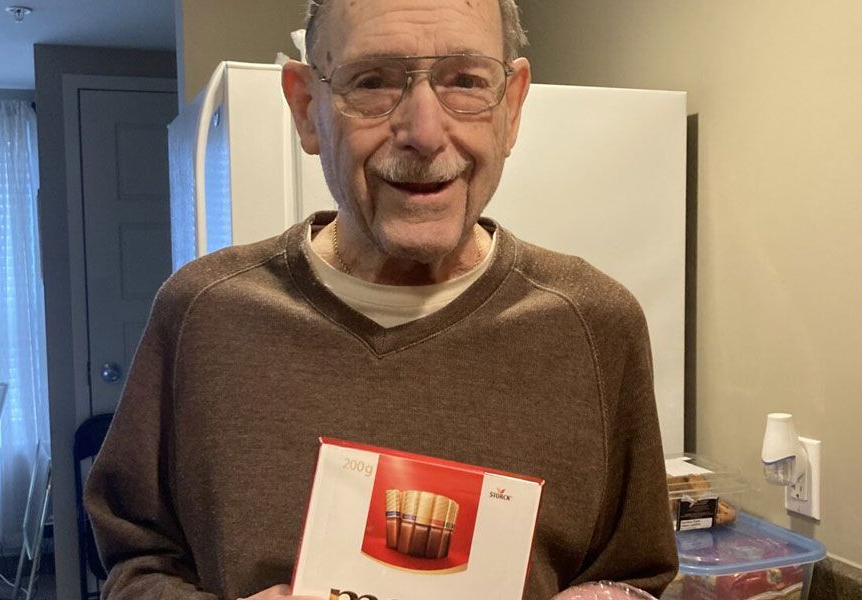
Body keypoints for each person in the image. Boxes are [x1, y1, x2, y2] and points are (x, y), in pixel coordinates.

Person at [84, 1, 678, 599]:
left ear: (513, 106)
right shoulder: (202, 315)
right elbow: (135, 566)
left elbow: (635, 576)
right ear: (306, 109)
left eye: (466, 80)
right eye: (372, 83)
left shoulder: (596, 325)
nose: (423, 133)